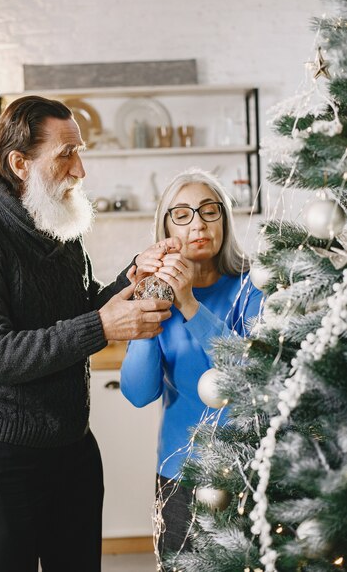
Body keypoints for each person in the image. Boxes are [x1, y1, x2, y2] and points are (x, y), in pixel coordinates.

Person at [0, 95, 178, 572]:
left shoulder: (56, 223)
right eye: (66, 153)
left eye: (80, 150)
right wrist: (101, 326)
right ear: (19, 163)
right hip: (3, 453)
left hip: (72, 445)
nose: (80, 169)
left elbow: (83, 307)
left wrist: (132, 275)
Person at [120, 168, 263, 561]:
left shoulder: (253, 287)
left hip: (249, 468)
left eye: (208, 211)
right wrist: (150, 308)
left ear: (224, 219)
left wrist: (190, 304)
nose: (198, 223)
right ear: (166, 229)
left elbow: (251, 373)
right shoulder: (157, 293)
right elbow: (137, 392)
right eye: (181, 214)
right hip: (179, 469)